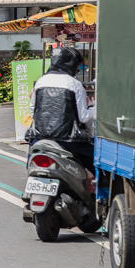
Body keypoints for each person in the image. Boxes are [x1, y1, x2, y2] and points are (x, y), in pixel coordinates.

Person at [26, 47, 96, 175]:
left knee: (31, 163)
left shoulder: (41, 81)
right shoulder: (74, 84)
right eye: (77, 66)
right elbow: (83, 117)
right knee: (98, 162)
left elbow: (33, 112)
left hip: (39, 137)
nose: (78, 69)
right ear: (71, 64)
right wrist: (92, 108)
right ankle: (99, 190)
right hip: (69, 140)